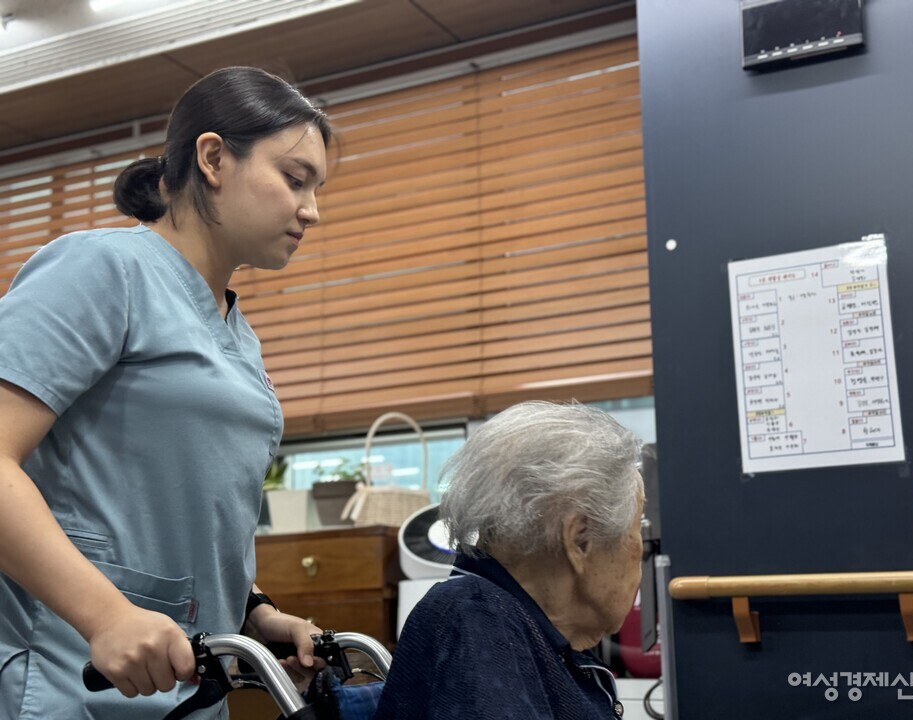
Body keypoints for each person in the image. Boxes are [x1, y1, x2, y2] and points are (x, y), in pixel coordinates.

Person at [0, 66, 332, 718]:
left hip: (183, 685)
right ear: (212, 157)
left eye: (317, 188)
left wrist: (256, 611)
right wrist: (105, 617)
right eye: (295, 179)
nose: (312, 210)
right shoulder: (103, 270)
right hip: (70, 676)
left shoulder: (242, 335)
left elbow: (173, 511)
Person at [373, 401, 646, 720]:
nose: (641, 547)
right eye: (637, 526)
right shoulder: (478, 623)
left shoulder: (523, 629)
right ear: (580, 540)